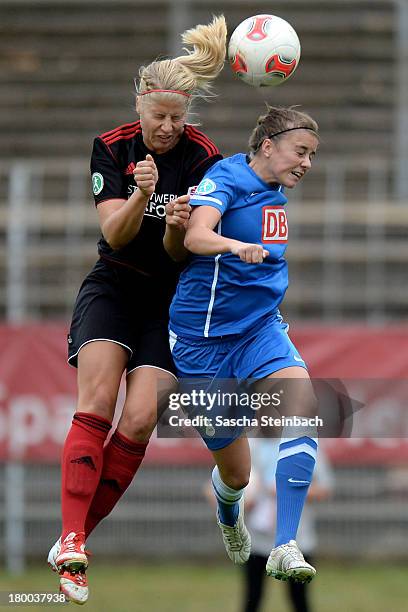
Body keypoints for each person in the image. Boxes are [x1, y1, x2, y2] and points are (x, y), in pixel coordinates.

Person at [47, 15, 227, 605]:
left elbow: (182, 249)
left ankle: (74, 539)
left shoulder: (205, 158)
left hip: (172, 301)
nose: (169, 127)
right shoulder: (111, 147)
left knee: (141, 418)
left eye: (178, 117)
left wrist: (177, 225)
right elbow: (117, 236)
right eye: (159, 117)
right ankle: (73, 540)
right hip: (115, 287)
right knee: (96, 402)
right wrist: (145, 195)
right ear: (141, 108)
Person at [169, 106, 320, 584]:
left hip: (260, 331)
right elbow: (194, 235)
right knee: (236, 475)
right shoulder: (226, 176)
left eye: (312, 155)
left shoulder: (275, 192)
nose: (307, 163)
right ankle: (228, 510)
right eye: (302, 152)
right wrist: (233, 246)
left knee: (303, 404)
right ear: (269, 145)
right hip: (202, 343)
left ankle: (284, 544)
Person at [242, 438, 334, 612]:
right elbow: (230, 485)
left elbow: (324, 488)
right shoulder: (251, 447)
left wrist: (289, 489)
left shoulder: (305, 446)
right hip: (258, 539)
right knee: (252, 597)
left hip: (297, 540)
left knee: (299, 598)